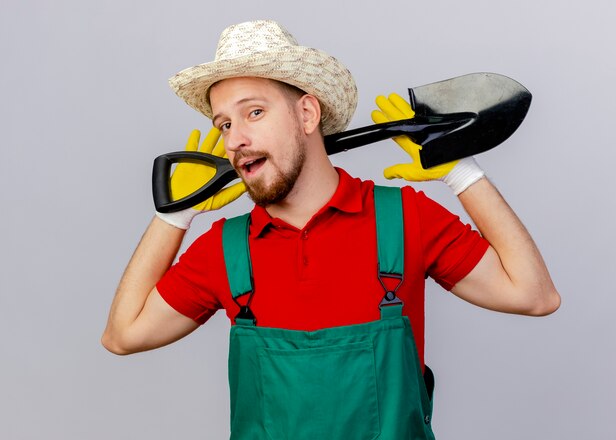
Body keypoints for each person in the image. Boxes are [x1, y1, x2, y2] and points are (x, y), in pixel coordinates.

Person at [102, 20, 560, 439]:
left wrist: (461, 173)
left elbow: (534, 295)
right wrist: (174, 216)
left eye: (254, 112)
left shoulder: (402, 219)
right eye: (224, 123)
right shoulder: (225, 249)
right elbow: (123, 335)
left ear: (306, 114)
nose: (234, 139)